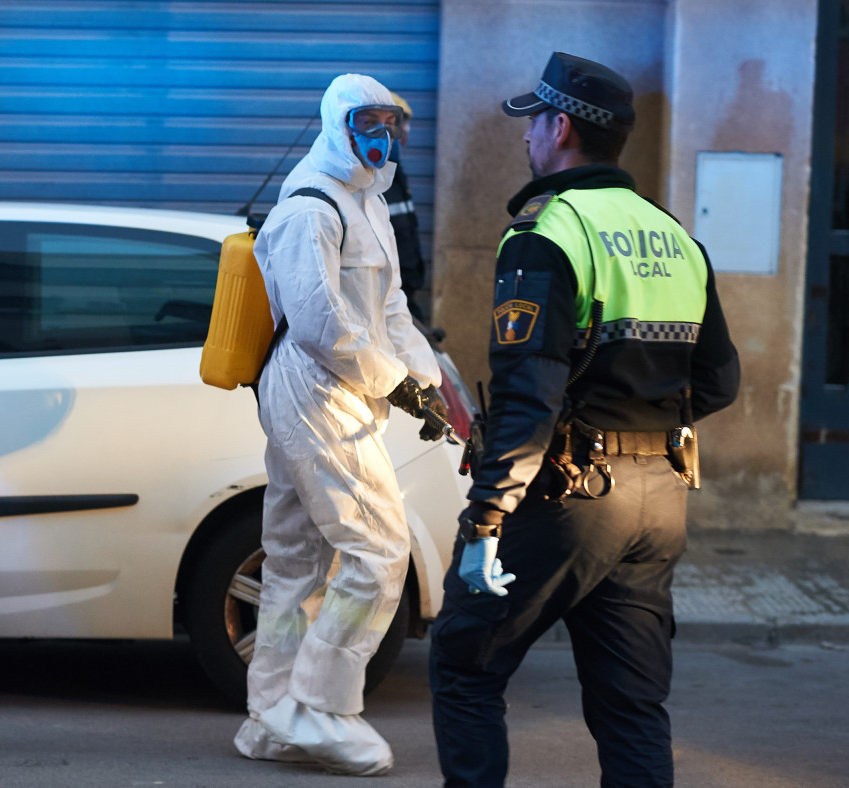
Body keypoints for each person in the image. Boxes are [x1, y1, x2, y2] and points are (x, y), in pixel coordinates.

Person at [428, 52, 740, 787]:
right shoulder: (674, 237)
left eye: (533, 121)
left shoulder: (548, 233)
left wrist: (485, 521)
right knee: (631, 707)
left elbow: (529, 398)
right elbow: (720, 380)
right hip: (658, 501)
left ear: (559, 126)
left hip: (566, 500)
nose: (526, 137)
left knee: (464, 661)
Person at [233, 73, 448, 776]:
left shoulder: (368, 205)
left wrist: (425, 379)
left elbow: (390, 311)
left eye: (391, 124)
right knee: (381, 550)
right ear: (338, 124)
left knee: (297, 559)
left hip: (346, 390)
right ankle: (322, 708)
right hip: (312, 388)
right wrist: (395, 383)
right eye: (368, 123)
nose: (382, 137)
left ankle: (269, 716)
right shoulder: (310, 209)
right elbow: (323, 326)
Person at [382, 92, 428, 323]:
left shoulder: (396, 176)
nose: (406, 133)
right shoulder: (373, 181)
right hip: (388, 303)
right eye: (401, 125)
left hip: (406, 298)